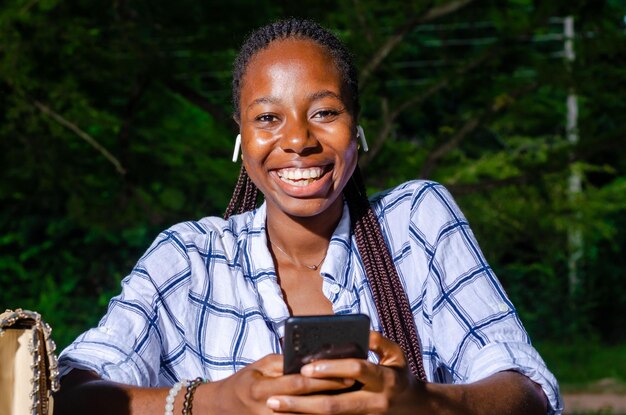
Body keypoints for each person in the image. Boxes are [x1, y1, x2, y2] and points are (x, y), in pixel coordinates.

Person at [55, 18, 563, 414]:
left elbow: (527, 388)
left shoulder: (416, 222)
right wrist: (213, 403)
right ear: (241, 136)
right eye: (268, 118)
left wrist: (422, 404)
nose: (298, 140)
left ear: (355, 127)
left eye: (324, 112)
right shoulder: (189, 260)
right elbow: (66, 392)